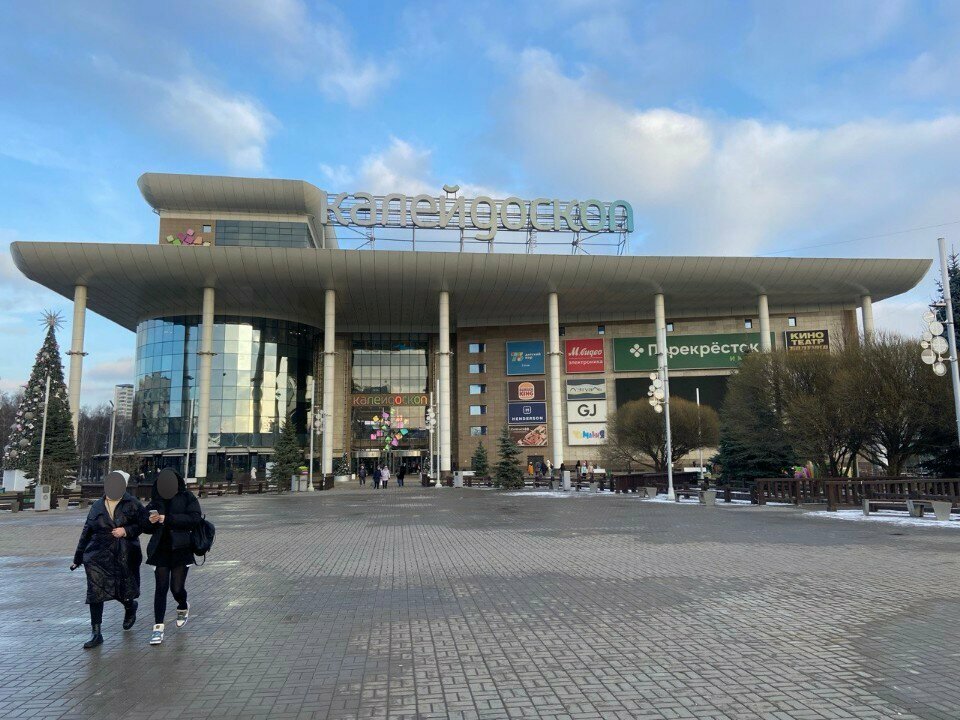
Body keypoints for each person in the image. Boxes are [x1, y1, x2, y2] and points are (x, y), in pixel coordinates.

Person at [71, 470, 146, 649]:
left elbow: (144, 524)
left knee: (121, 588)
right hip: (97, 554)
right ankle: (96, 633)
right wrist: (78, 557)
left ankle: (130, 606)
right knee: (95, 592)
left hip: (123, 553)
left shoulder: (132, 504)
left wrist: (126, 531)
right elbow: (87, 531)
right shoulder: (97, 505)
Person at [142, 468, 202, 646]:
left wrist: (167, 518)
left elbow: (194, 518)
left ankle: (183, 605)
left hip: (181, 548)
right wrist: (149, 521)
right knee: (161, 588)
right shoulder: (155, 500)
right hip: (160, 549)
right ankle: (158, 627)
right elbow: (144, 525)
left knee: (176, 588)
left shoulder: (187, 497)